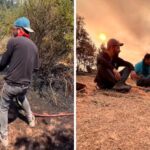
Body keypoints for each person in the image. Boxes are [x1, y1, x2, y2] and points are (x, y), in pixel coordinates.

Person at [0, 17, 39, 147]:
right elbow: (35, 68)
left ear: (20, 29)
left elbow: (3, 62)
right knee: (22, 97)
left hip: (11, 85)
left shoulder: (13, 42)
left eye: (14, 29)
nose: (13, 31)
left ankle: (4, 136)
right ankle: (30, 119)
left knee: (3, 106)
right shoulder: (34, 47)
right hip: (25, 85)